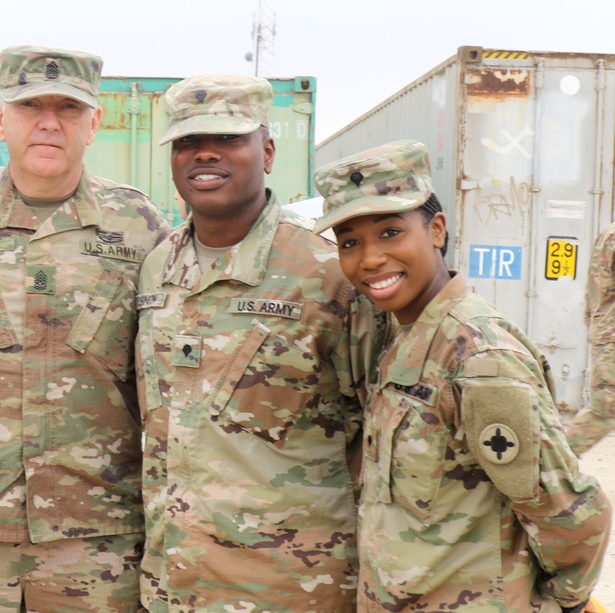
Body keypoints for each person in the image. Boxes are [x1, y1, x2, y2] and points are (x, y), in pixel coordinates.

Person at [0, 44, 168, 612]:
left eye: (68, 109)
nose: (49, 123)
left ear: (94, 124)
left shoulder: (139, 225)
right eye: (30, 107)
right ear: (1, 118)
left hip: (97, 532)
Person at [313, 138, 611, 612]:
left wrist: (560, 603)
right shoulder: (403, 340)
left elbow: (570, 512)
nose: (369, 258)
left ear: (436, 230)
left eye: (390, 232)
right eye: (350, 243)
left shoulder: (476, 358)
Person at [133, 74, 385, 612]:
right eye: (187, 142)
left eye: (228, 139)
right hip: (171, 585)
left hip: (292, 589)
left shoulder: (327, 272)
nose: (205, 153)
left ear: (267, 151)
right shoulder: (158, 268)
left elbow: (384, 436)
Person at [566, 224, 615, 456]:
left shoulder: (608, 233)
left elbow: (592, 289)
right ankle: (547, 468)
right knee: (605, 410)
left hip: (606, 333)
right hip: (612, 338)